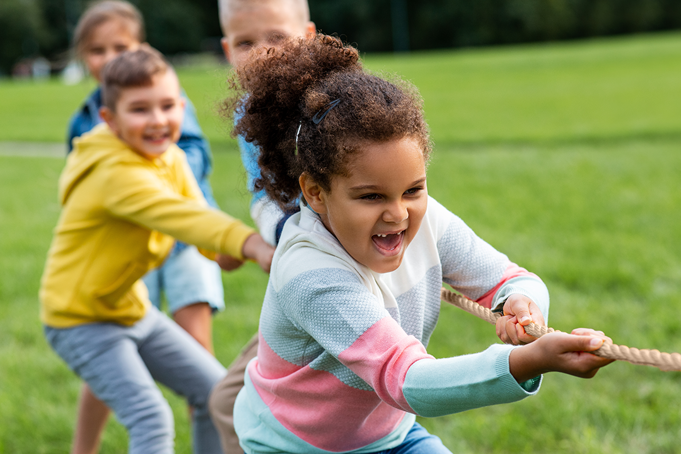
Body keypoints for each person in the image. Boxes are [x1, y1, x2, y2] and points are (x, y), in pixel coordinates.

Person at [222, 34, 614, 454]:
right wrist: (526, 363)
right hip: (294, 447)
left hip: (390, 436)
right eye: (371, 196)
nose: (398, 214)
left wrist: (521, 302)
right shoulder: (308, 272)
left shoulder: (425, 220)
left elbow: (511, 279)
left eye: (413, 189)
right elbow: (407, 379)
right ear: (316, 193)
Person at [40, 46, 274, 453]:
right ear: (109, 120)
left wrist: (216, 251)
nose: (157, 120)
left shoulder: (172, 157)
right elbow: (176, 215)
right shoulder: (114, 172)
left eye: (167, 106)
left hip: (130, 308)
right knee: (151, 418)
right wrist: (248, 242)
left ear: (182, 106)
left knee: (218, 393)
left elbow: (194, 215)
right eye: (140, 110)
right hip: (79, 321)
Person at [65, 2, 233, 452]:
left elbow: (191, 154)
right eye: (96, 50)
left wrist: (167, 192)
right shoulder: (85, 117)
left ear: (142, 48)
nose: (108, 57)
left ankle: (207, 440)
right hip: (132, 252)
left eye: (120, 46)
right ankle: (84, 448)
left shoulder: (168, 103)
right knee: (115, 359)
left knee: (197, 356)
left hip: (194, 240)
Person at [208, 0, 315, 451]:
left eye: (277, 38)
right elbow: (263, 195)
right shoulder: (246, 112)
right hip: (301, 274)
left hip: (339, 277)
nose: (262, 55)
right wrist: (280, 239)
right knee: (232, 402)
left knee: (234, 401)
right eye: (245, 43)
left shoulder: (333, 104)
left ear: (308, 37)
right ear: (226, 48)